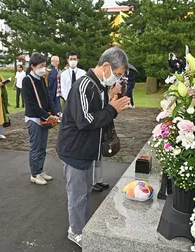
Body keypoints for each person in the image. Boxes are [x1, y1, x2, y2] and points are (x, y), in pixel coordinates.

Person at [57, 46, 131, 247]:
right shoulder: (84, 85)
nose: (116, 79)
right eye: (116, 74)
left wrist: (109, 99)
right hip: (75, 151)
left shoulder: (97, 86)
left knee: (83, 193)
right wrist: (112, 108)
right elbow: (86, 120)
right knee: (78, 194)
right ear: (106, 66)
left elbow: (94, 110)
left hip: (85, 150)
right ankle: (76, 231)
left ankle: (81, 225)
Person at [22, 53, 58, 185]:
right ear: (32, 66)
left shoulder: (41, 79)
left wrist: (55, 112)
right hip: (34, 118)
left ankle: (40, 169)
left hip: (44, 117)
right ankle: (35, 174)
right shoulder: (27, 80)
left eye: (44, 66)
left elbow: (48, 98)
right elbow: (30, 104)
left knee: (43, 147)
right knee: (35, 147)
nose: (44, 69)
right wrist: (47, 115)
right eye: (41, 66)